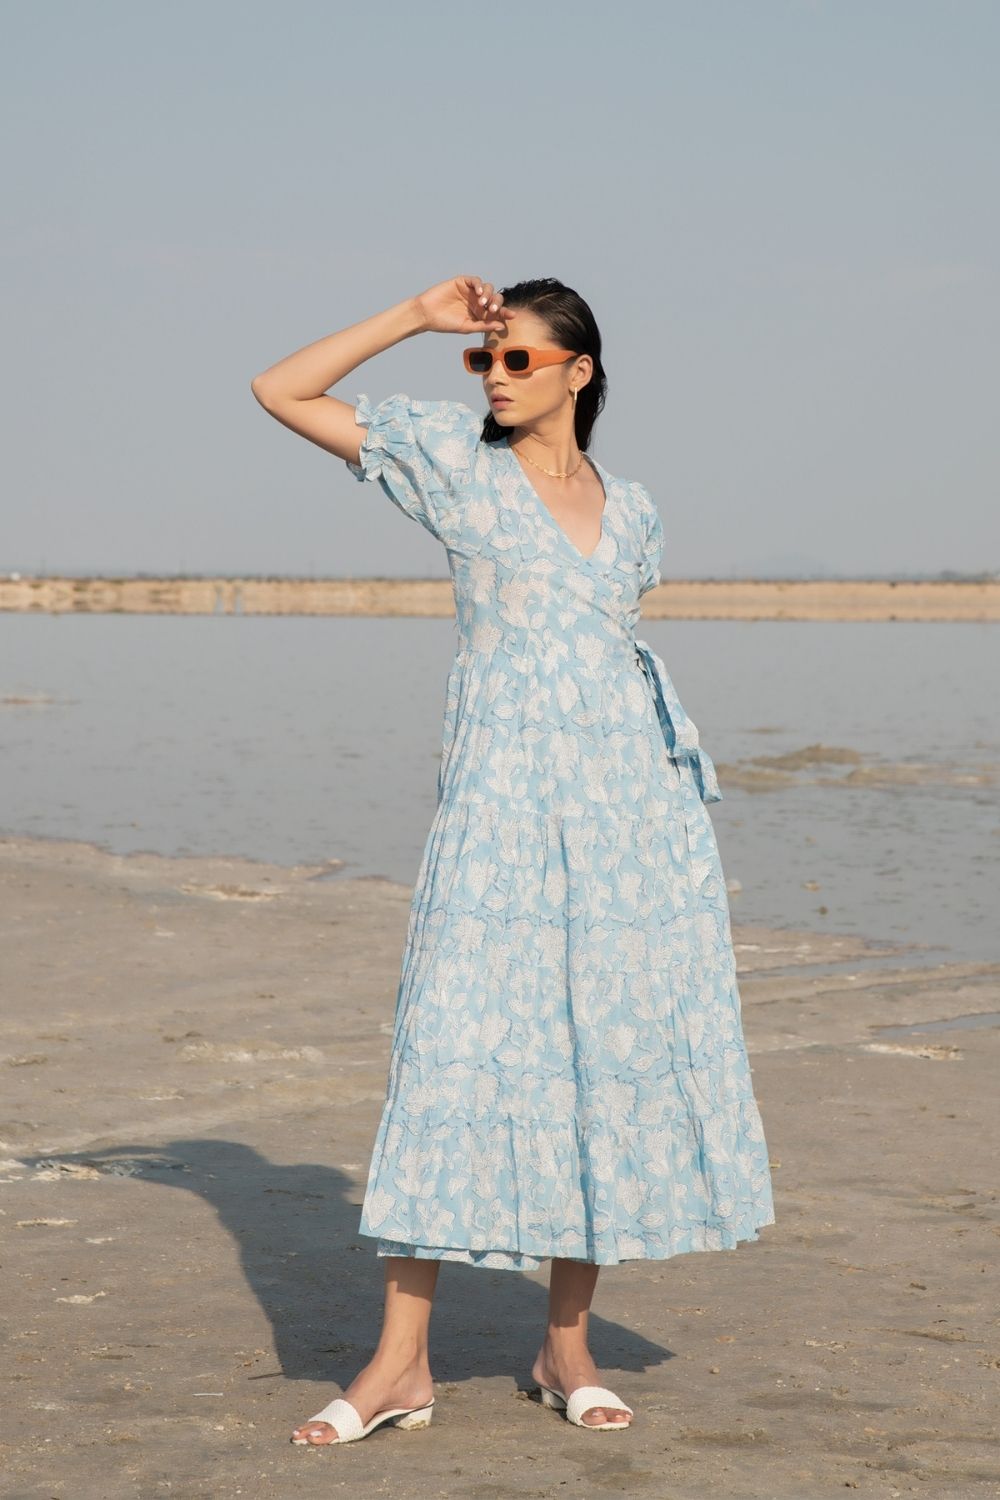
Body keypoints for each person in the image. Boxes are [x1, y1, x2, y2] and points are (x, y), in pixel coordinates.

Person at [250, 275, 775, 1447]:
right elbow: (280, 389)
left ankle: (564, 1347)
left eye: (518, 359)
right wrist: (412, 317)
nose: (494, 375)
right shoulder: (455, 464)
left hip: (630, 819)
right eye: (483, 360)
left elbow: (611, 656)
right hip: (498, 814)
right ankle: (399, 1364)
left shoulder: (633, 509)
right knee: (454, 1056)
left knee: (600, 1056)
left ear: (578, 372)